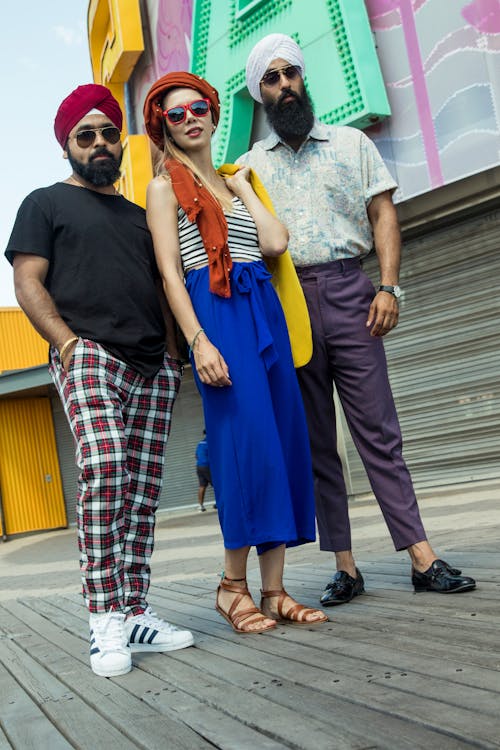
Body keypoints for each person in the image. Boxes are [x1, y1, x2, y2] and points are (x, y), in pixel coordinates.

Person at [237, 34, 476, 605]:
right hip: (289, 301)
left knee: (379, 431)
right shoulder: (246, 170)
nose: (284, 85)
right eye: (270, 79)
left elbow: (382, 213)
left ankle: (421, 556)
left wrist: (389, 286)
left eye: (289, 72)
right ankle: (345, 566)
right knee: (318, 440)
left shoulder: (351, 143)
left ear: (302, 76)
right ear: (261, 95)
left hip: (350, 288)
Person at [5, 84, 194, 678]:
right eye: (85, 136)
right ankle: (104, 617)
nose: (99, 144)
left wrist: (172, 356)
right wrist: (65, 343)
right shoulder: (44, 203)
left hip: (151, 365)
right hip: (87, 354)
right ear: (67, 145)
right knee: (106, 466)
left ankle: (135, 611)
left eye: (108, 133)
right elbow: (28, 282)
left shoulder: (141, 217)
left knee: (141, 493)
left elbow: (166, 285)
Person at [143, 71, 328, 633]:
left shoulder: (232, 181)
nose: (190, 117)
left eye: (198, 107)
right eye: (176, 113)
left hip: (263, 309)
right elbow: (171, 276)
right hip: (216, 312)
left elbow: (274, 244)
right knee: (244, 447)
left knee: (283, 443)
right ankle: (231, 586)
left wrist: (243, 187)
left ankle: (274, 590)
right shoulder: (162, 187)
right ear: (163, 127)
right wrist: (198, 341)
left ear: (213, 113)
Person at [195, 429, 213, 511]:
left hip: (199, 466)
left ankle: (200, 506)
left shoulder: (200, 443)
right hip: (207, 466)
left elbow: (196, 456)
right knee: (217, 484)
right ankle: (219, 503)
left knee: (202, 486)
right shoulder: (210, 442)